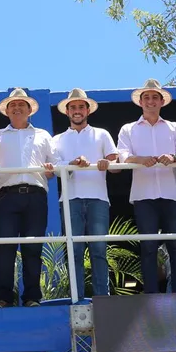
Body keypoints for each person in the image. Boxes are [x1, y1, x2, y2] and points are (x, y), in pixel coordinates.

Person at [0, 88, 59, 308]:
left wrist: (52, 170)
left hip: (36, 196)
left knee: (33, 249)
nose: (17, 108)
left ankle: (32, 298)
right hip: (8, 196)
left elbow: (55, 165)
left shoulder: (43, 135)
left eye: (21, 105)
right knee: (5, 249)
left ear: (29, 110)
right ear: (7, 111)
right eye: (12, 105)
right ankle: (4, 298)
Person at [115, 80, 176, 294]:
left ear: (161, 102)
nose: (150, 101)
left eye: (154, 97)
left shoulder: (174, 127)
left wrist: (173, 157)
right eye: (146, 97)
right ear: (140, 102)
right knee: (148, 247)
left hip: (171, 194)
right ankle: (150, 294)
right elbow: (123, 156)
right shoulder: (128, 129)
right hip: (143, 195)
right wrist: (141, 160)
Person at [52, 89, 118, 298]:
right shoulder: (57, 139)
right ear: (67, 112)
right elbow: (52, 169)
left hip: (98, 198)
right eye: (73, 107)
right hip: (70, 199)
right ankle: (76, 298)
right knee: (74, 252)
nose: (77, 110)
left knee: (99, 250)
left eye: (81, 107)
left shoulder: (102, 133)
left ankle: (103, 298)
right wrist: (71, 164)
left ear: (87, 110)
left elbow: (116, 164)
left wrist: (107, 162)